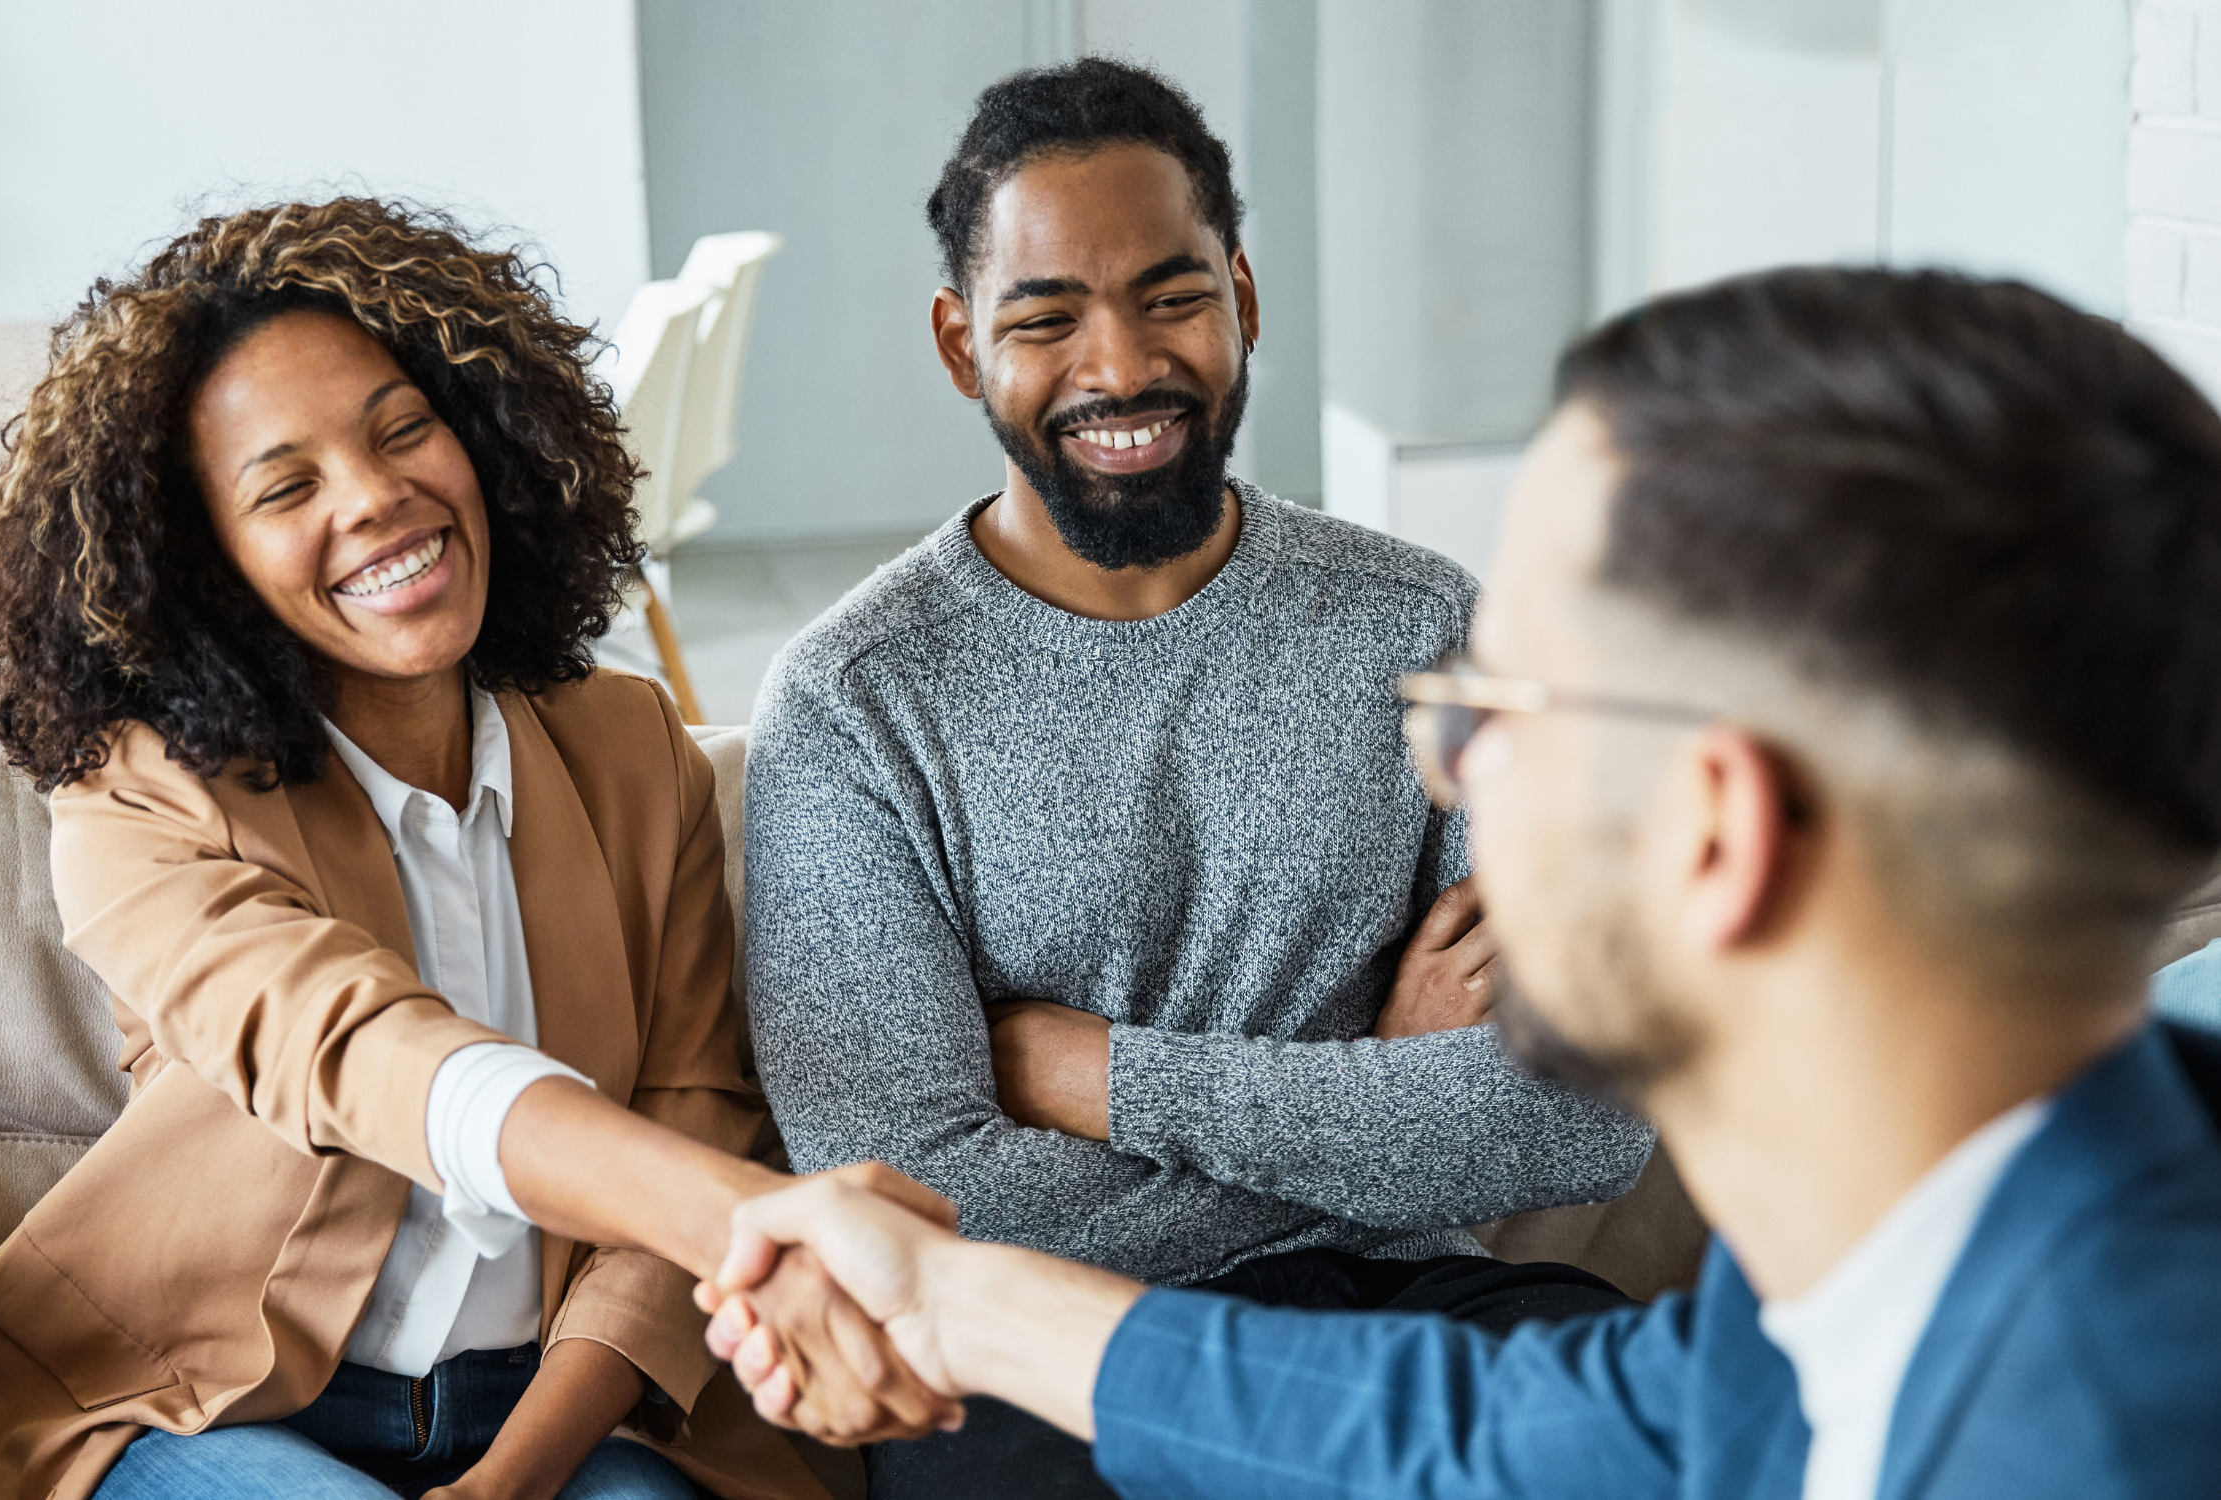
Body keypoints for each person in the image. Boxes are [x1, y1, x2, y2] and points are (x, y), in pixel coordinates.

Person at [707, 267, 2221, 1497]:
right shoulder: (1895, 1269)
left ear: (1715, 835)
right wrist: (946, 1295)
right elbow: (1483, 1439)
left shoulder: (2090, 1428)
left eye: (1506, 706)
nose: (1445, 769)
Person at [740, 56, 1656, 1499]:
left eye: (1170, 297)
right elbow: (917, 1212)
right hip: (1035, 1372)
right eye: (1047, 317)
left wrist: (1092, 1076)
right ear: (959, 343)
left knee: (1670, 1446)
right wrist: (1376, 1087)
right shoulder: (854, 701)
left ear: (1243, 295)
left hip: (1398, 1302)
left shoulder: (1429, 626)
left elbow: (1583, 1117)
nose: (1119, 367)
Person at [0, 198, 954, 1500]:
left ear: (483, 431)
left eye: (402, 427)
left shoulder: (630, 747)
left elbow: (691, 1102)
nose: (375, 500)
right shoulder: (139, 797)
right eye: (287, 487)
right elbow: (360, 1050)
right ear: (205, 562)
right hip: (216, 1409)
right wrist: (751, 1219)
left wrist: (516, 1476)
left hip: (570, 1408)